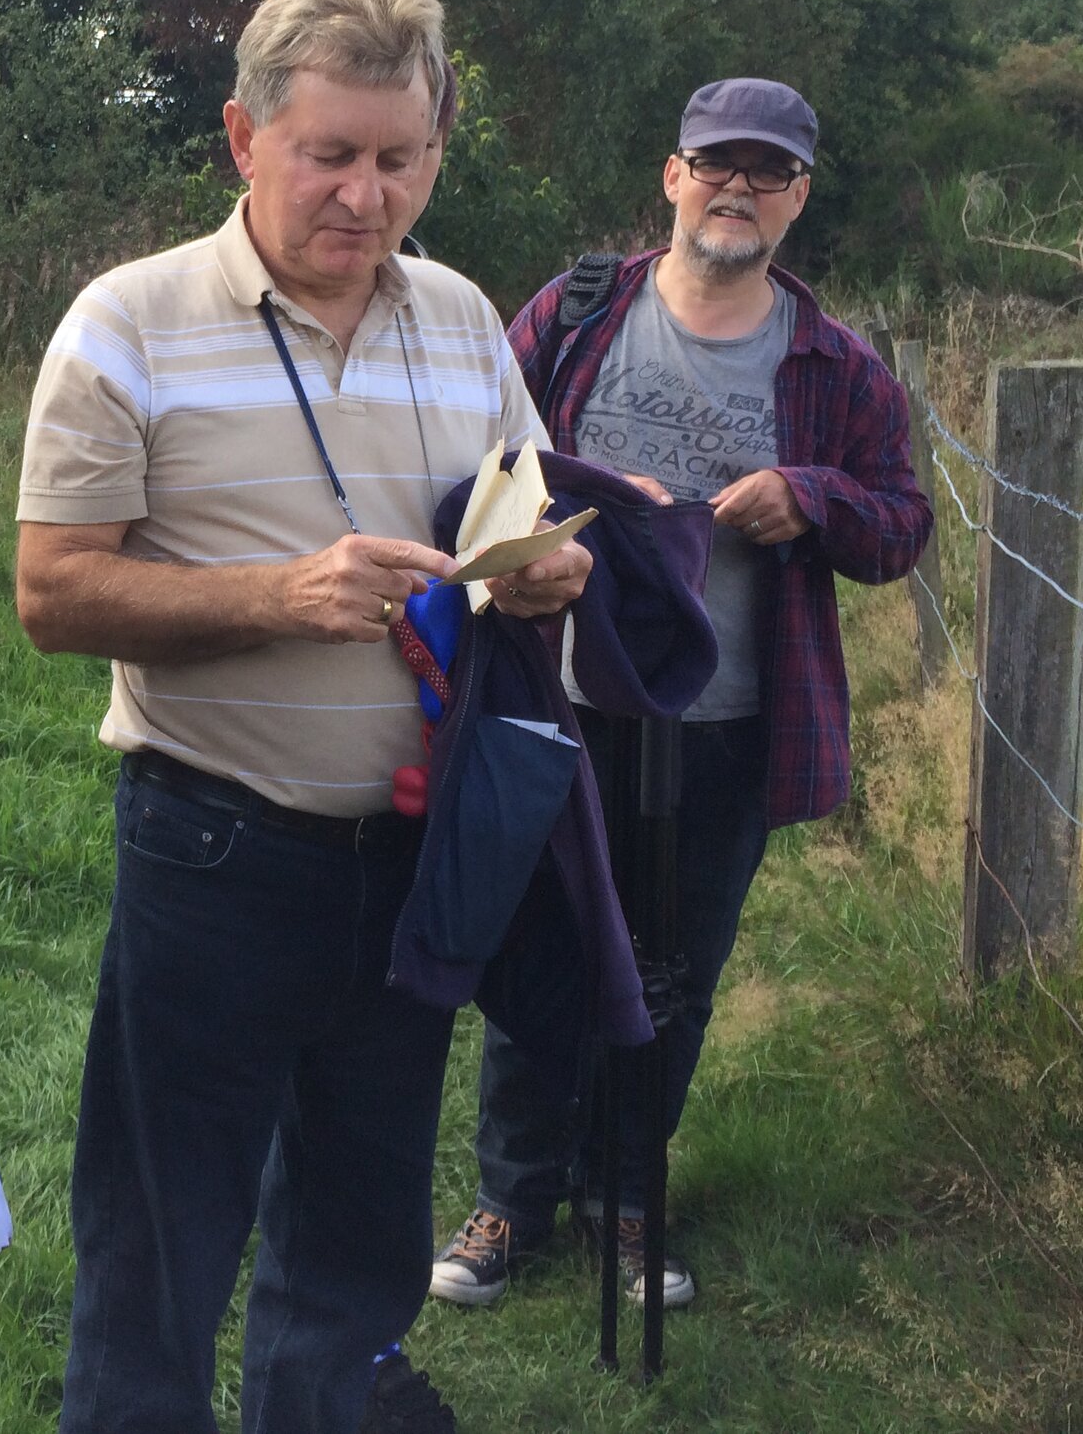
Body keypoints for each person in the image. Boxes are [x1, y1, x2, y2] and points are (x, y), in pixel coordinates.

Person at [15, 0, 592, 1434]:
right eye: (329, 153)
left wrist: (539, 572)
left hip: (415, 851)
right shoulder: (125, 321)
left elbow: (516, 502)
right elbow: (53, 591)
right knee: (162, 1230)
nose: (366, 193)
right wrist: (277, 595)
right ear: (243, 137)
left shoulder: (465, 318)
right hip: (216, 845)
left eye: (401, 159)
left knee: (359, 1215)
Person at [429, 77, 930, 1313]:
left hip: (732, 722)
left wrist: (809, 495)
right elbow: (469, 467)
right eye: (718, 165)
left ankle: (625, 1199)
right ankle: (512, 1198)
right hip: (559, 702)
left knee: (675, 969)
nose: (738, 190)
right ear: (672, 177)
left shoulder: (836, 368)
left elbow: (902, 526)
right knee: (541, 948)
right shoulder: (575, 312)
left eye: (768, 172)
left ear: (797, 197)